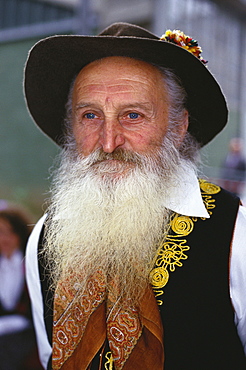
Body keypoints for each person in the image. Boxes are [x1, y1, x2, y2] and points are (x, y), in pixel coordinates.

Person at [24, 23, 246, 369]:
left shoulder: (235, 231)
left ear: (178, 127)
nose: (109, 142)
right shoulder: (43, 237)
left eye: (132, 115)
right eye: (90, 115)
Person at [0, 206, 42, 370]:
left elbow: (30, 311)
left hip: (27, 330)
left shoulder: (30, 264)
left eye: (8, 232)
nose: (4, 238)